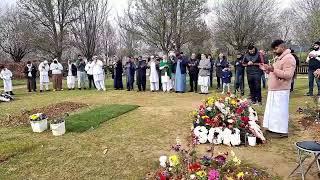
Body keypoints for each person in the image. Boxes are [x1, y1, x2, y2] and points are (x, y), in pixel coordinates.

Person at [260, 39, 296, 138]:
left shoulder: (289, 58)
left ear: (282, 47)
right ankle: (273, 129)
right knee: (273, 111)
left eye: (276, 49)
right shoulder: (279, 58)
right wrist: (267, 69)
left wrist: (273, 69)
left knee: (280, 112)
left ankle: (281, 132)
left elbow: (288, 75)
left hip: (281, 89)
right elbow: (274, 71)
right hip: (274, 88)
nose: (274, 51)